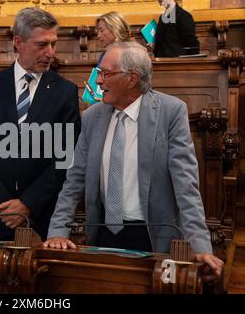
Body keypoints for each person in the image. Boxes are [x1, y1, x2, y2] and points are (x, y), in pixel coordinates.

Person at [44, 41, 223, 278]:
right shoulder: (92, 117)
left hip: (153, 237)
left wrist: (200, 246)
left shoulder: (170, 112)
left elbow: (186, 185)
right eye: (99, 73)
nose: (98, 81)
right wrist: (57, 231)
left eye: (105, 74)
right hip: (103, 234)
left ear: (131, 78)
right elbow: (74, 180)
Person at [0, 7, 81, 241]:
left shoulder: (64, 91)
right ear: (18, 42)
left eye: (53, 44)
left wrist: (28, 204)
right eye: (41, 45)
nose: (50, 53)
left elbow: (65, 158)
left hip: (43, 216)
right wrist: (5, 205)